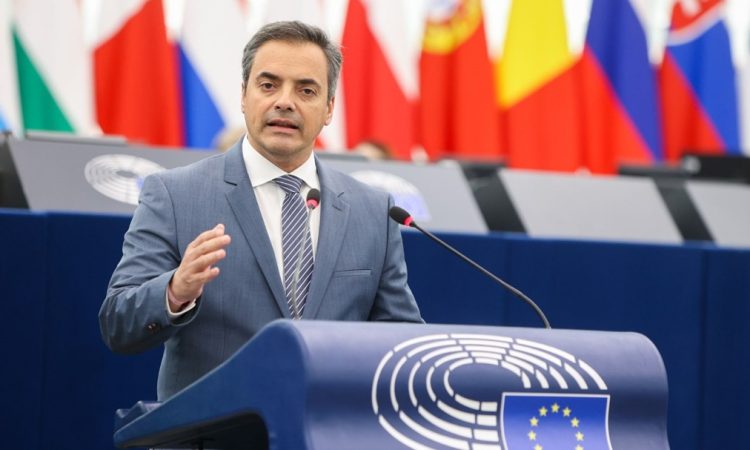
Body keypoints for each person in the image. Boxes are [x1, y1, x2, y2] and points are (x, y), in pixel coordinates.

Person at [99, 21, 422, 401]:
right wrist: (174, 291)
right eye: (268, 85)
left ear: (329, 108)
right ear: (243, 95)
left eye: (306, 90)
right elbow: (118, 324)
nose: (284, 101)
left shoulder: (373, 212)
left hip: (328, 424)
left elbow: (403, 342)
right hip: (214, 426)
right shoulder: (174, 194)